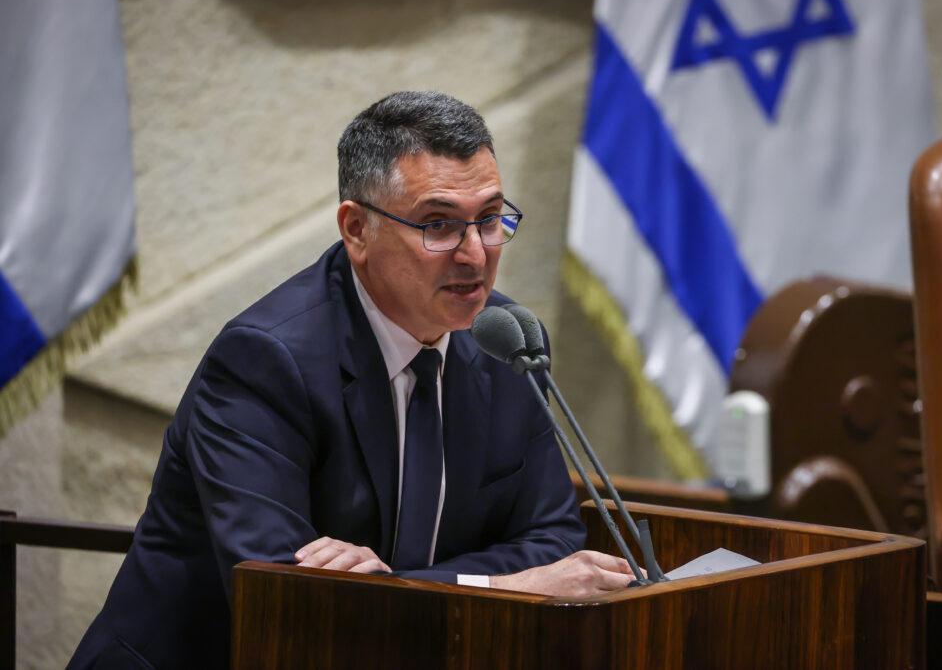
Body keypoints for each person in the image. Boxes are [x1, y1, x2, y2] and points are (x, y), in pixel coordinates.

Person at [70, 91, 635, 669]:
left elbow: (553, 538)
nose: (475, 254)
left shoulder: (506, 339)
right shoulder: (264, 361)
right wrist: (503, 587)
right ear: (357, 229)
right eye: (438, 225)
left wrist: (385, 591)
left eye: (489, 219)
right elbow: (283, 601)